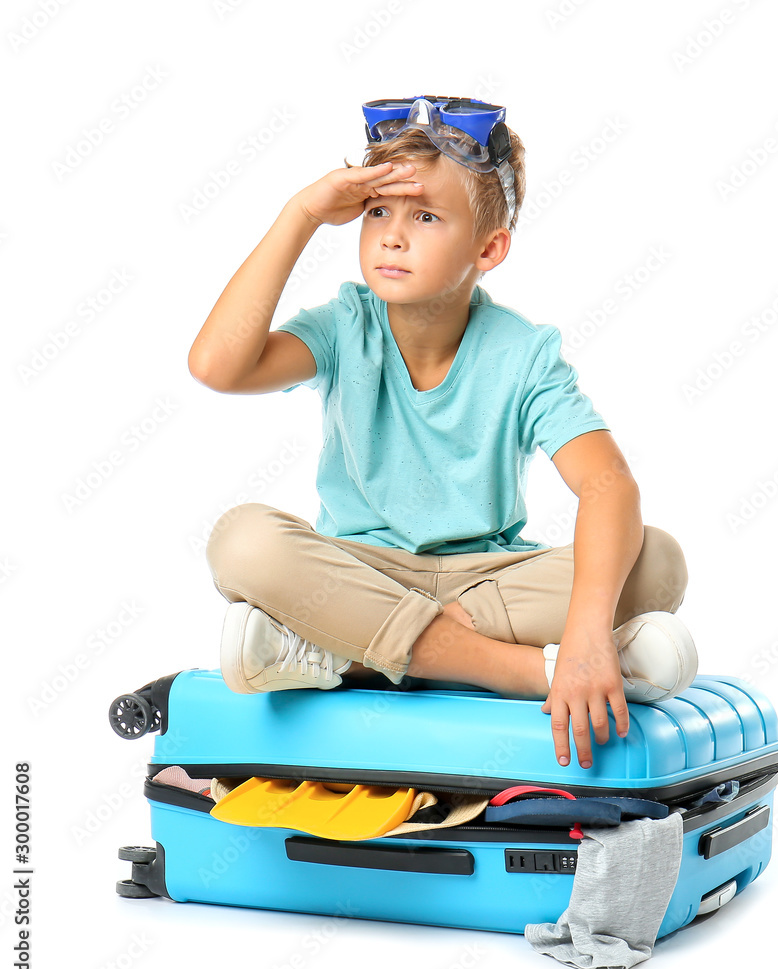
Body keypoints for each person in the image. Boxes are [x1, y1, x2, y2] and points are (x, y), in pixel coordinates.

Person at [188, 95, 697, 770]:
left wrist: (582, 634)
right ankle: (515, 673)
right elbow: (216, 365)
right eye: (378, 213)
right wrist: (302, 213)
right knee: (243, 541)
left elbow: (609, 488)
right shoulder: (345, 326)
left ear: (488, 248)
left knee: (657, 560)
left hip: (485, 582)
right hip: (362, 568)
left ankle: (339, 651)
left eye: (425, 216)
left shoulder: (523, 354)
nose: (392, 236)